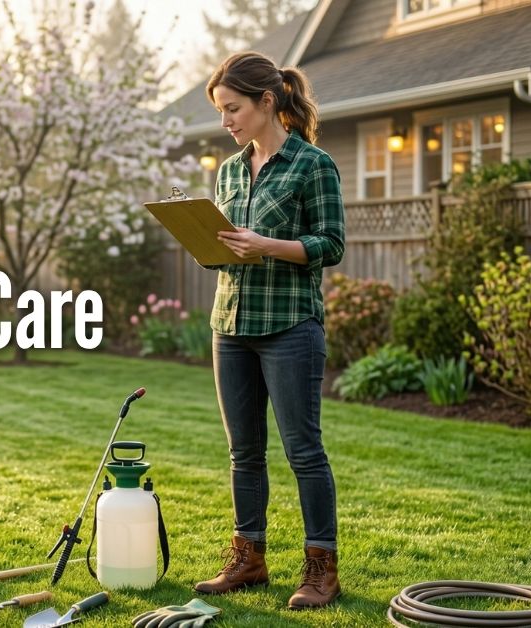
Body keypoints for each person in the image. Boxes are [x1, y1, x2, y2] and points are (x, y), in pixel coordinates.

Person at [192, 51, 346, 611]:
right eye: (221, 112)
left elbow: (330, 245)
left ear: (267, 101)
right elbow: (228, 248)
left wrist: (266, 246)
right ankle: (248, 558)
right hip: (230, 324)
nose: (226, 121)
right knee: (244, 453)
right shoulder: (230, 170)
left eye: (232, 109)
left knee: (303, 450)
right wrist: (209, 244)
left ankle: (321, 567)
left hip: (289, 327)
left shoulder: (313, 165)